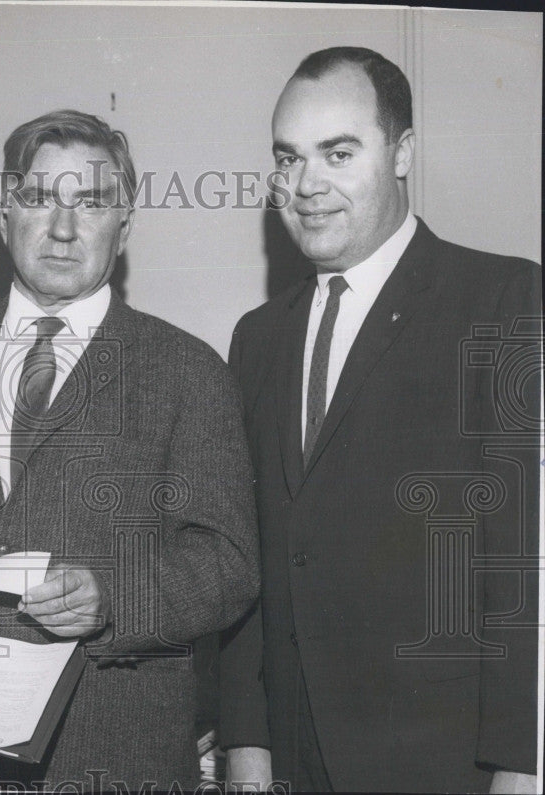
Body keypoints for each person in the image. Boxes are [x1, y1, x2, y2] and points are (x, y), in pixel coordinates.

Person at [0, 109, 260, 790]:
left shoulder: (188, 370)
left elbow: (228, 560)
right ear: (5, 216)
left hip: (116, 758)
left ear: (125, 223)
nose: (62, 228)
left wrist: (111, 598)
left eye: (89, 202)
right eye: (38, 198)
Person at [220, 47, 540, 793]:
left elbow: (521, 557)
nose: (306, 186)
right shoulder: (257, 337)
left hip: (445, 761)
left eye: (338, 153)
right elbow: (251, 558)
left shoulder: (501, 297)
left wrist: (522, 762)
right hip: (291, 760)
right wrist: (246, 740)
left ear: (402, 154)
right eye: (288, 158)